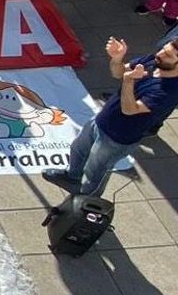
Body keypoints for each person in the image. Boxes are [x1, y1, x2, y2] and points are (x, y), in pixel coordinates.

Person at [43, 36, 178, 195]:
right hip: (103, 120)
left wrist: (128, 81)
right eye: (164, 49)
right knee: (78, 149)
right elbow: (119, 72)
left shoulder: (169, 91)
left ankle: (87, 200)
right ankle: (71, 177)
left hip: (118, 138)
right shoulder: (153, 61)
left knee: (95, 170)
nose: (160, 54)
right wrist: (117, 58)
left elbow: (130, 109)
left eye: (168, 56)